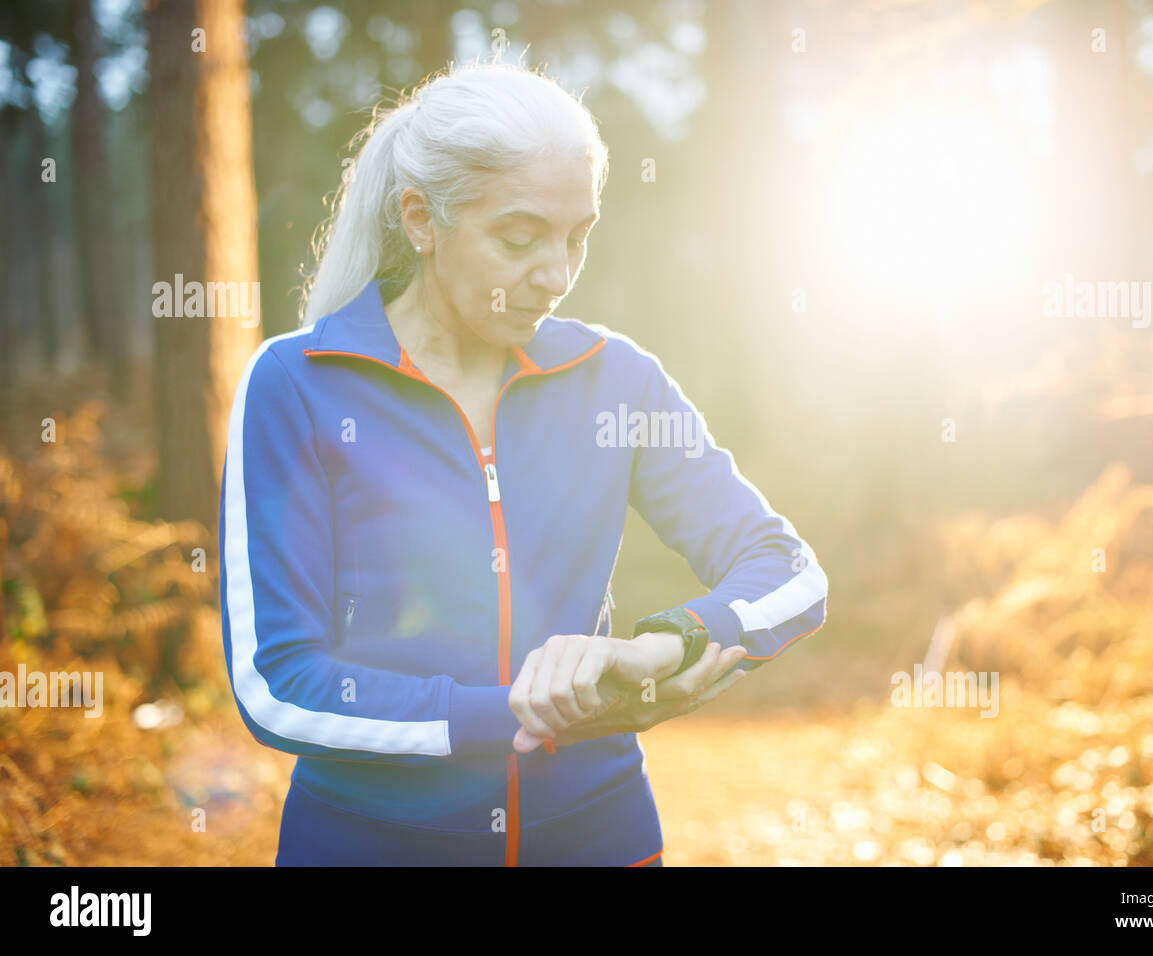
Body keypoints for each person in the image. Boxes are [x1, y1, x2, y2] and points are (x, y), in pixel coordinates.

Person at [218, 59, 828, 866]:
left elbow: (785, 569)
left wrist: (657, 650)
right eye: (520, 238)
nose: (558, 275)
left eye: (579, 236)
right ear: (420, 219)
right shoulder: (295, 385)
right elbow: (279, 686)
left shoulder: (616, 379)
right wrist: (519, 715)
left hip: (600, 840)